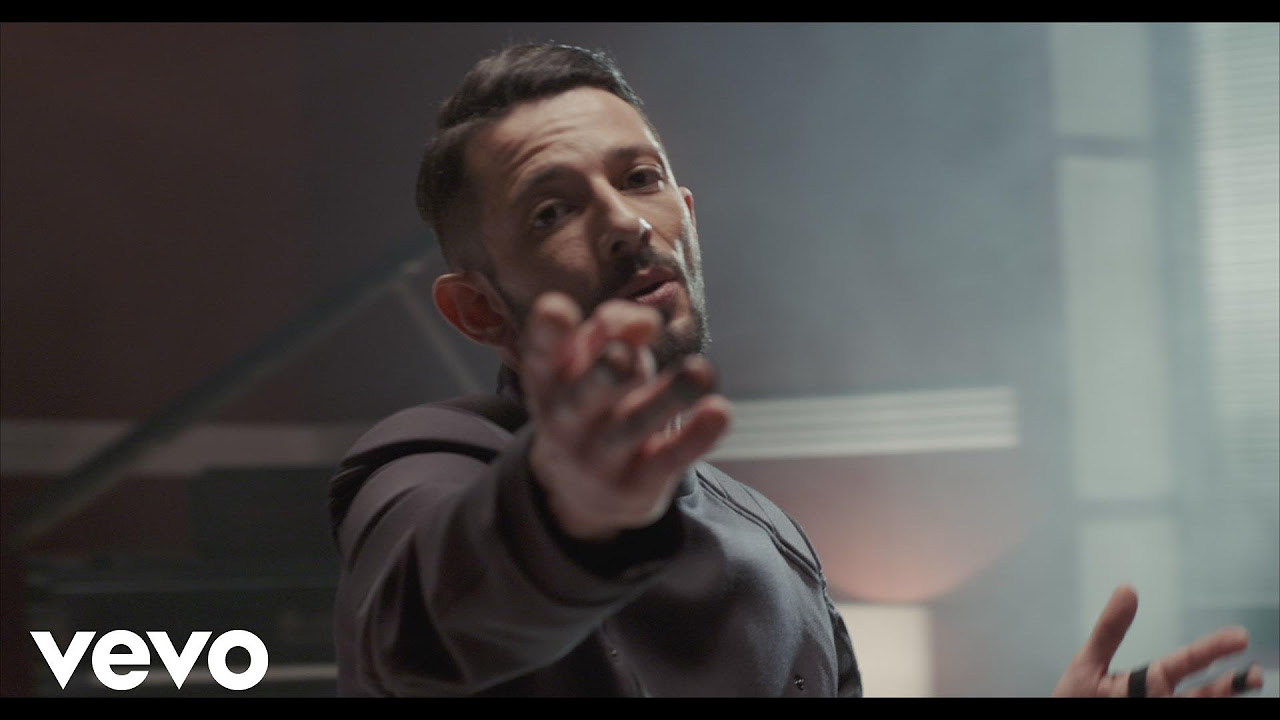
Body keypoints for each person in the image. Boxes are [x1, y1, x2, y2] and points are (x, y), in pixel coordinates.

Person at [329, 42, 1264, 697]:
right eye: (551, 212)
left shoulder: (769, 535)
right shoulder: (429, 464)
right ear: (479, 310)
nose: (625, 223)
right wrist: (558, 517)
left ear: (688, 213)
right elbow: (415, 634)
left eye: (640, 178)